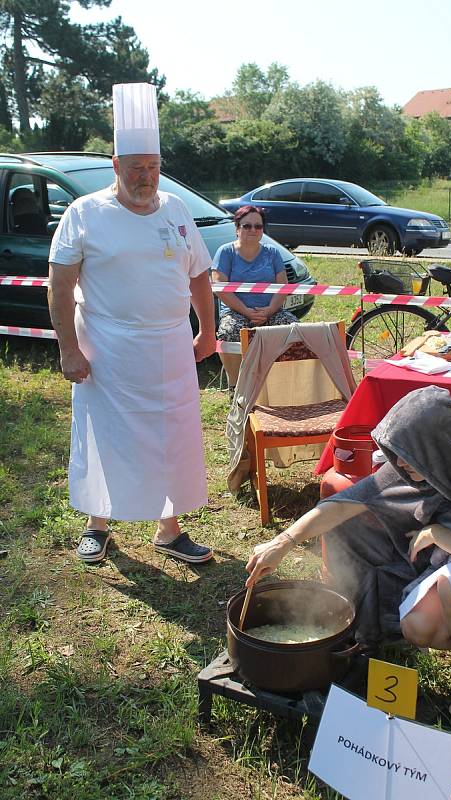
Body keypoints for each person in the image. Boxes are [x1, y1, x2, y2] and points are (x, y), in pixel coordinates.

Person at [246, 386, 451, 720]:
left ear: (433, 449)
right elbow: (343, 506)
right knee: (417, 625)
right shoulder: (423, 462)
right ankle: (381, 636)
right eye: (394, 453)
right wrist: (283, 542)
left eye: (405, 456)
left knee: (450, 591)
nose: (396, 463)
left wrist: (439, 534)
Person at [47, 82, 216, 565]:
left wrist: (205, 329)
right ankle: (97, 523)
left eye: (154, 167)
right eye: (137, 168)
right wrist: (68, 348)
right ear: (116, 166)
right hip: (107, 345)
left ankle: (170, 528)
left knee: (172, 432)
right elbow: (59, 287)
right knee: (105, 433)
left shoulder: (177, 211)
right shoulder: (85, 214)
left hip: (169, 346)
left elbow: (200, 274)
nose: (147, 177)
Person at [211, 205, 298, 393]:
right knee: (228, 333)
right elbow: (220, 288)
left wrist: (269, 311)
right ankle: (235, 386)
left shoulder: (273, 253)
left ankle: (281, 385)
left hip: (271, 311)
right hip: (236, 312)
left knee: (294, 329)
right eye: (247, 226)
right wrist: (246, 311)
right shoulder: (225, 253)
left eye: (258, 226)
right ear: (237, 228)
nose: (253, 230)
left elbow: (282, 287)